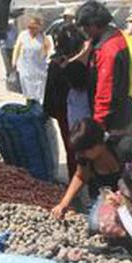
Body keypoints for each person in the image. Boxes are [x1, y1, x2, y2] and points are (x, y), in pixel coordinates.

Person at [51, 118, 132, 218]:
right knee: (96, 224)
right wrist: (64, 203)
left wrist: (128, 193)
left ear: (98, 144)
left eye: (85, 150)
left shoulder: (125, 146)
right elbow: (80, 177)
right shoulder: (84, 157)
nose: (81, 154)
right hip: (107, 200)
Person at [76, 0, 132, 135]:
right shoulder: (115, 36)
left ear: (94, 24)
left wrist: (98, 124)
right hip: (124, 110)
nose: (84, 31)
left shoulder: (107, 49)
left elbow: (106, 91)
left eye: (85, 27)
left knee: (116, 154)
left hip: (114, 119)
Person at [43, 23, 88, 178]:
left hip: (64, 112)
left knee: (73, 147)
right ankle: (80, 180)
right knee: (83, 147)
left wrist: (50, 110)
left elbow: (49, 92)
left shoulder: (56, 63)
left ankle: (76, 179)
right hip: (79, 111)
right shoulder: (81, 60)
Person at [12, 15, 52, 102]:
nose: (31, 30)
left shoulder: (44, 38)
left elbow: (49, 52)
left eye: (34, 28)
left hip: (39, 71)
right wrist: (14, 62)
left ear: (39, 28)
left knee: (39, 94)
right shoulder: (23, 35)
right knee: (28, 94)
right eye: (29, 27)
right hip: (25, 69)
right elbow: (17, 49)